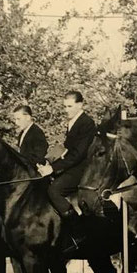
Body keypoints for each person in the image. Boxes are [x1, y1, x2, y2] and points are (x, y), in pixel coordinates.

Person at [38, 91, 97, 220]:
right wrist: (49, 161)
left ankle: (76, 226)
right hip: (72, 165)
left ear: (80, 105)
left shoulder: (87, 123)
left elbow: (78, 154)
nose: (66, 110)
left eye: (69, 106)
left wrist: (53, 168)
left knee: (54, 190)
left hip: (83, 168)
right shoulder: (73, 122)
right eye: (64, 106)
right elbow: (67, 149)